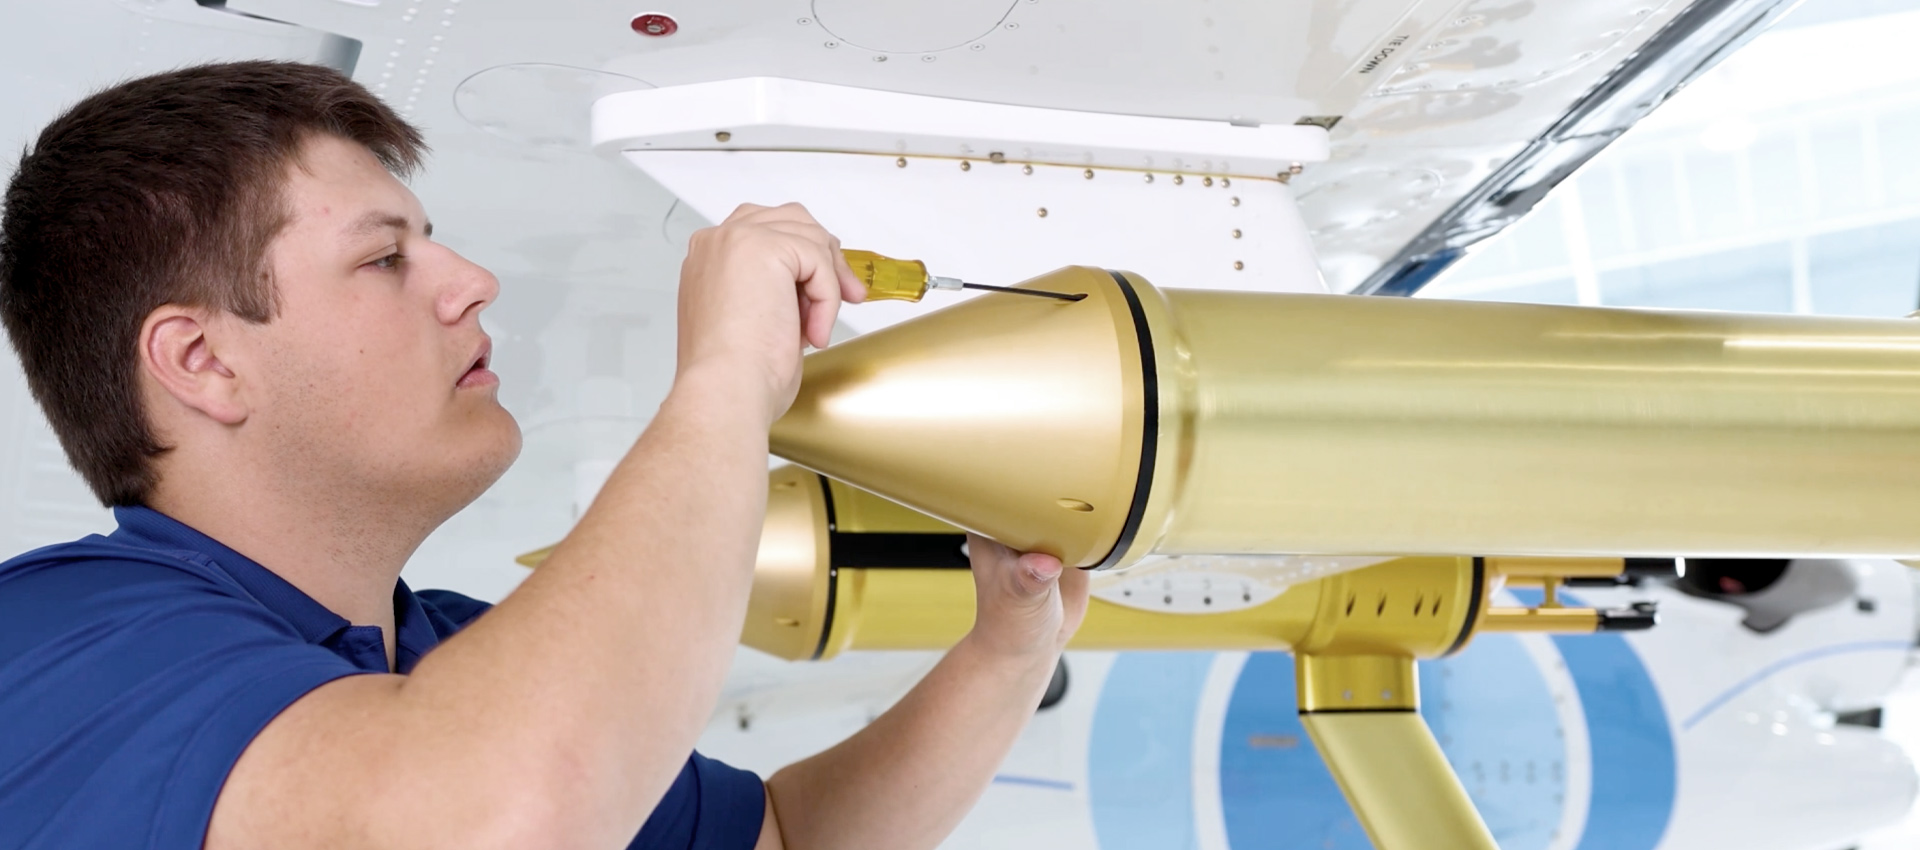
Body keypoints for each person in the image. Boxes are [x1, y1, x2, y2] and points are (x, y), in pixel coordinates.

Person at [0, 60, 1089, 850]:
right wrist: (723, 379)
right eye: (386, 256)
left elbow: (789, 837)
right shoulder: (52, 641)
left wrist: (1007, 650)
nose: (471, 278)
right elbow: (502, 817)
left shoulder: (447, 661)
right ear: (201, 359)